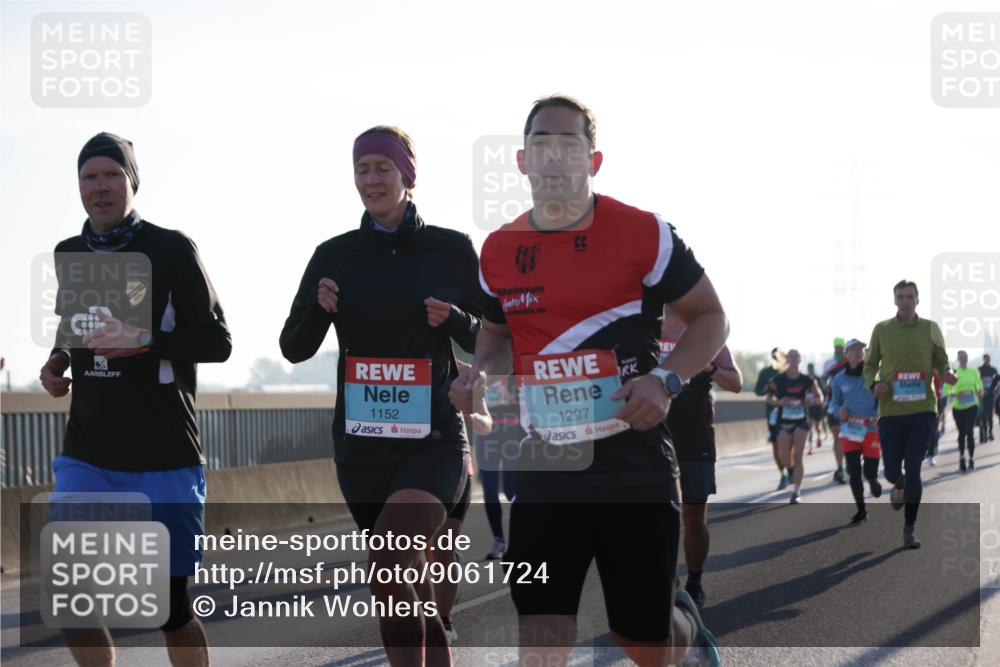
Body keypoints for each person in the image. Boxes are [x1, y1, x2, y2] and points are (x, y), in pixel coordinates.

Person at [451, 95, 724, 666]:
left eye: (568, 144)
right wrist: (481, 377)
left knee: (643, 641)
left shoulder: (644, 233)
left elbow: (712, 319)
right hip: (546, 468)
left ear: (592, 162)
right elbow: (497, 337)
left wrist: (665, 381)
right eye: (539, 145)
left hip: (634, 463)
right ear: (522, 161)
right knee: (542, 644)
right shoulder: (499, 251)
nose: (553, 157)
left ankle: (685, 633)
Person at [279, 126, 482, 666]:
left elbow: (494, 336)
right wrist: (315, 311)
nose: (372, 179)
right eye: (362, 169)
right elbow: (293, 348)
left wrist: (458, 317)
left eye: (383, 168)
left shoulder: (451, 249)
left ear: (407, 176)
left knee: (392, 561)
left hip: (433, 439)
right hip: (362, 445)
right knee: (397, 587)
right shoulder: (334, 255)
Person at [40, 132, 231, 667]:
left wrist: (144, 341)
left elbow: (218, 342)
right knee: (72, 598)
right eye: (89, 177)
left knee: (168, 607)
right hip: (88, 452)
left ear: (132, 181)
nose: (99, 188)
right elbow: (73, 327)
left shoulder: (171, 249)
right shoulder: (70, 253)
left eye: (111, 175)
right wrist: (58, 361)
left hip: (163, 454)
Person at [864, 280, 956, 549]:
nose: (905, 301)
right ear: (894, 301)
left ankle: (909, 528)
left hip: (923, 410)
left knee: (914, 467)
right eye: (900, 297)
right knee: (892, 471)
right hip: (891, 411)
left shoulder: (931, 328)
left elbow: (942, 361)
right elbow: (870, 365)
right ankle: (898, 484)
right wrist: (874, 384)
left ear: (918, 300)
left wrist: (947, 372)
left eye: (910, 297)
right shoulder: (881, 330)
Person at [662, 307, 742, 610]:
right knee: (656, 516)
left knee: (693, 516)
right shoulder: (643, 326)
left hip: (695, 435)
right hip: (652, 433)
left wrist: (709, 369)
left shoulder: (705, 331)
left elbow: (735, 383)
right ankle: (666, 582)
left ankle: (695, 580)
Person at [828, 339, 882, 523]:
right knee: (853, 470)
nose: (858, 353)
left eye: (861, 349)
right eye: (853, 350)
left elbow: (883, 398)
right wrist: (838, 411)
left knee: (870, 471)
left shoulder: (873, 375)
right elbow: (833, 403)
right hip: (849, 428)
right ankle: (861, 509)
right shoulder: (839, 378)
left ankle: (873, 481)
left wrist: (879, 414)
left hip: (871, 428)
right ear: (846, 354)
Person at [473, 375, 521, 561]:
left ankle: (523, 536)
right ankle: (499, 540)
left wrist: (509, 392)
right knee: (490, 490)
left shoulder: (513, 370)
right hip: (486, 434)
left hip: (511, 431)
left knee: (511, 490)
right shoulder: (478, 369)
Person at [766, 349, 824, 504]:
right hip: (783, 423)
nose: (793, 359)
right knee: (786, 459)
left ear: (800, 360)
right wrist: (780, 402)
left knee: (798, 455)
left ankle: (796, 492)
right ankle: (790, 471)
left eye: (796, 356)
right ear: (787, 360)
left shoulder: (807, 380)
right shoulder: (778, 379)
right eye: (790, 356)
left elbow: (820, 397)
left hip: (801, 421)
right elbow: (769, 398)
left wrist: (811, 400)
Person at [755, 347, 790, 489]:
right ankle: (783, 474)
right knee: (776, 446)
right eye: (775, 357)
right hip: (773, 415)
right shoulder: (766, 372)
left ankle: (791, 469)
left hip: (790, 414)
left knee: (788, 445)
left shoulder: (789, 372)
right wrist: (767, 388)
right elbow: (758, 390)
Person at [944, 351, 984, 472]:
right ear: (958, 359)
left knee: (970, 432)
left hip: (972, 405)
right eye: (961, 357)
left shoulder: (974, 371)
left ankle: (971, 459)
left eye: (966, 356)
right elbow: (946, 389)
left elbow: (979, 385)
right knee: (962, 433)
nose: (964, 359)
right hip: (958, 408)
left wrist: (980, 392)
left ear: (967, 358)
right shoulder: (953, 372)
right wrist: (956, 393)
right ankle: (962, 457)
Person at [822, 338, 849, 484]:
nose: (838, 349)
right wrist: (825, 389)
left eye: (841, 346)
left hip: (852, 405)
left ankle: (853, 462)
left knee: (852, 437)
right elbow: (823, 380)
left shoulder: (850, 361)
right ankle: (840, 467)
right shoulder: (829, 363)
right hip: (834, 404)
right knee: (837, 436)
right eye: (836, 346)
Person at [806, 362, 827, 454]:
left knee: (817, 427)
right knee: (809, 427)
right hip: (808, 409)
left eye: (812, 368)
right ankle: (810, 447)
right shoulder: (804, 380)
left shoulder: (817, 379)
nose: (810, 369)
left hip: (817, 408)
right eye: (809, 368)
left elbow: (822, 394)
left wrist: (819, 401)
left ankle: (818, 437)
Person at [979, 353, 997, 442]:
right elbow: (976, 382)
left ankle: (990, 432)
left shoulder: (993, 370)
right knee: (983, 415)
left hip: (991, 395)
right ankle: (984, 433)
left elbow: (997, 382)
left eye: (988, 359)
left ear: (989, 360)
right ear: (984, 359)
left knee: (990, 414)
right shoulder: (979, 370)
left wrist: (994, 390)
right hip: (982, 395)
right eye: (985, 359)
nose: (987, 360)